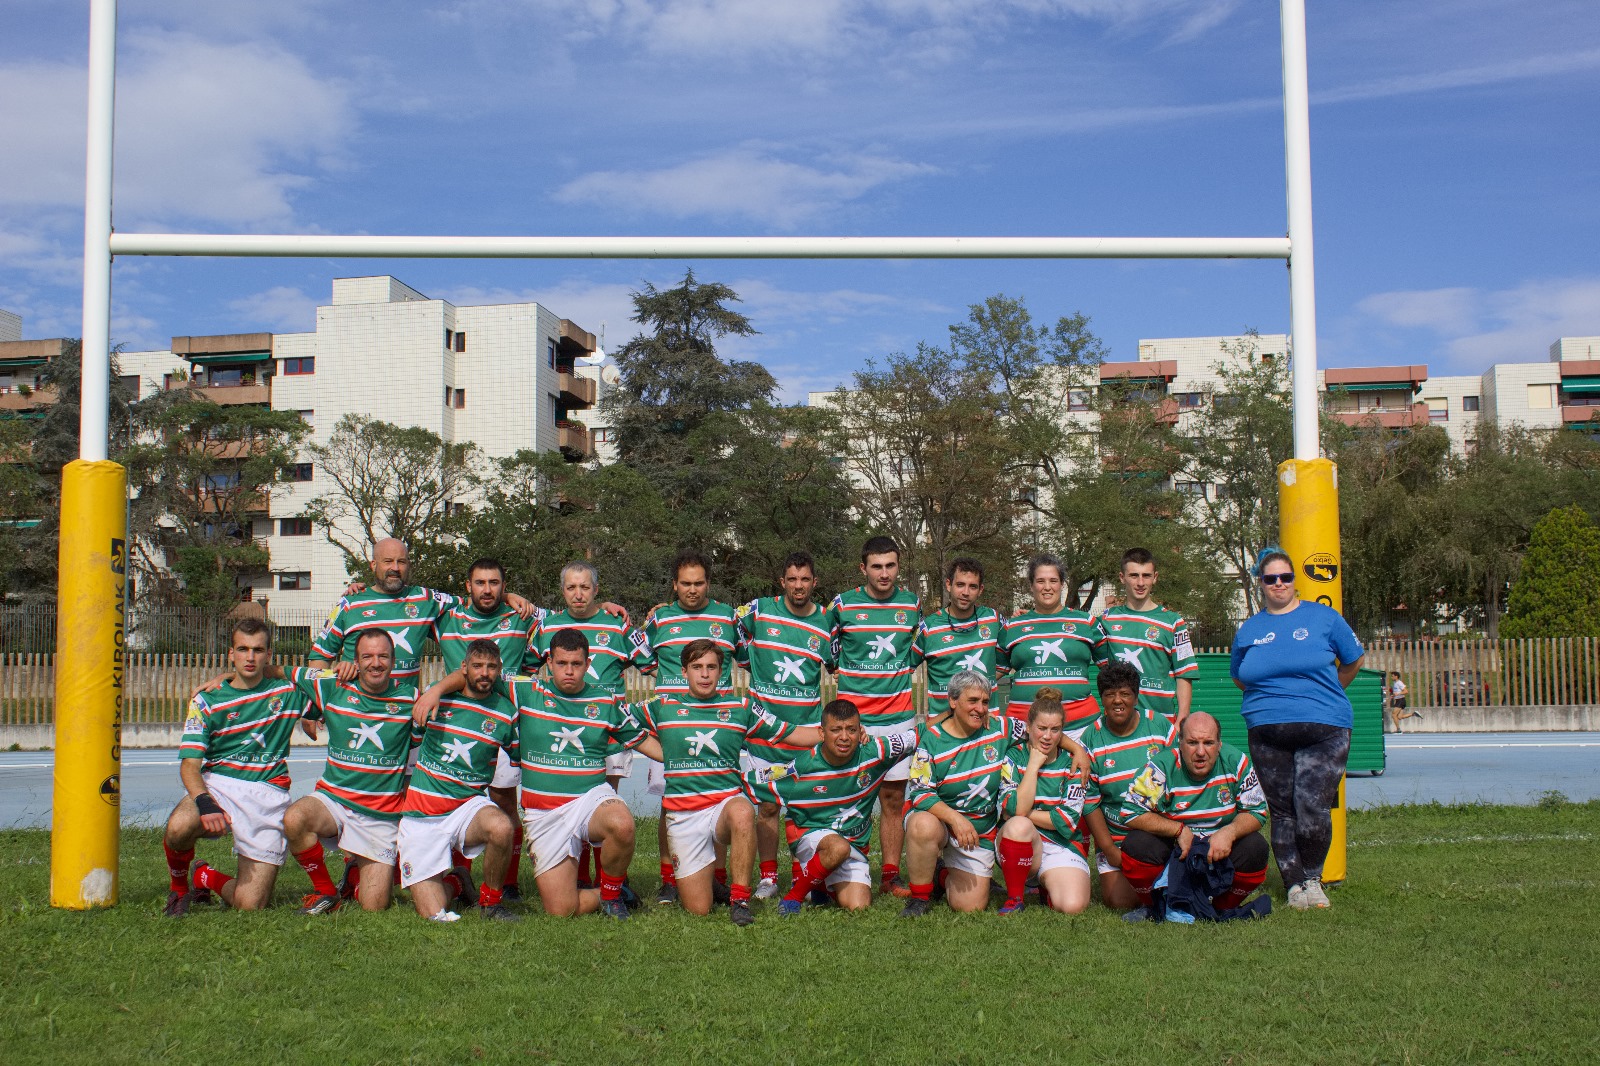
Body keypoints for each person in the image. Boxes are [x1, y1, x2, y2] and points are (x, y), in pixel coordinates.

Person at [415, 627, 659, 920]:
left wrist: (685, 762)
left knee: (621, 822)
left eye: (577, 664)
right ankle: (612, 894)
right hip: (544, 815)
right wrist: (436, 690)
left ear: (588, 664)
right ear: (549, 663)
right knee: (561, 910)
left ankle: (610, 896)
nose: (569, 671)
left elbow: (643, 741)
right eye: (561, 663)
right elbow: (472, 675)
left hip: (589, 800)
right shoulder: (526, 690)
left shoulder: (605, 702)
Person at [637, 639, 821, 926]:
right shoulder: (662, 706)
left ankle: (739, 900)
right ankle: (707, 881)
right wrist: (662, 754)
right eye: (697, 667)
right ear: (684, 672)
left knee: (743, 810)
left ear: (722, 672)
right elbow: (620, 725)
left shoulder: (741, 707)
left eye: (712, 667)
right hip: (683, 815)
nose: (705, 674)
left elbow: (787, 732)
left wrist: (828, 735)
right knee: (698, 908)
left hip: (723, 806)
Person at [1230, 548, 1365, 911]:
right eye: (1270, 578)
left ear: (1294, 581)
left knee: (1311, 805)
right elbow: (1241, 676)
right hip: (1267, 731)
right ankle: (1293, 887)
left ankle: (1313, 880)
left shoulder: (1324, 618)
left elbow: (1353, 660)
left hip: (1325, 727)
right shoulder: (1250, 628)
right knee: (1282, 810)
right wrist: (1271, 700)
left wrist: (1324, 693)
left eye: (1285, 577)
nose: (1278, 584)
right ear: (1261, 583)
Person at [900, 671, 1090, 917]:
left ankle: (941, 875)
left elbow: (1043, 730)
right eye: (973, 701)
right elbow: (920, 792)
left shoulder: (1002, 727)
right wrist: (955, 819)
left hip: (979, 831)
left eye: (986, 702)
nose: (980, 709)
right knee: (922, 824)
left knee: (970, 907)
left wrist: (1077, 749)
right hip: (943, 821)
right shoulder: (931, 739)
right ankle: (919, 898)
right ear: (953, 701)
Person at [162, 618, 309, 916]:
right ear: (231, 653)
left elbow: (333, 682)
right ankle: (179, 891)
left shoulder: (288, 693)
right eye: (243, 649)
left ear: (269, 655)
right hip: (219, 785)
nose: (250, 657)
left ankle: (204, 876)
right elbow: (190, 766)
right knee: (178, 826)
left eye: (258, 650)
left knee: (250, 904)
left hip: (267, 792)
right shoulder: (207, 700)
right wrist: (205, 803)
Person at [529, 560, 651, 889]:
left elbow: (652, 663)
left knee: (606, 804)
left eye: (585, 587)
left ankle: (612, 881)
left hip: (609, 730)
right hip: (567, 731)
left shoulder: (617, 624)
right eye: (571, 587)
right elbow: (526, 670)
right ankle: (580, 879)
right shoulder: (548, 626)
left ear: (596, 590)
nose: (578, 594)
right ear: (562, 590)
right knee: (574, 802)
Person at [278, 630, 419, 914]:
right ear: (355, 661)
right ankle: (325, 892)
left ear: (393, 661)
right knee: (295, 819)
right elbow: (278, 671)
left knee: (374, 906)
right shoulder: (333, 685)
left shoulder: (411, 699)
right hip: (335, 801)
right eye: (367, 656)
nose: (375, 663)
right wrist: (226, 678)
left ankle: (354, 871)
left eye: (383, 656)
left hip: (380, 814)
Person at [430, 557, 540, 901]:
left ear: (504, 586)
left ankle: (506, 883)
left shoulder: (521, 618)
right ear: (468, 586)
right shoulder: (446, 618)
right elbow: (402, 603)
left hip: (503, 723)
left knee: (504, 802)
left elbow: (576, 610)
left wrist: (607, 605)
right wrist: (354, 595)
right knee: (458, 800)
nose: (487, 589)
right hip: (458, 727)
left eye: (495, 583)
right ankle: (461, 876)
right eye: (480, 582)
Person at [742, 699, 915, 915]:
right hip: (812, 837)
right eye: (836, 730)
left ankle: (820, 883)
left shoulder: (875, 754)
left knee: (859, 905)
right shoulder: (800, 769)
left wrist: (952, 715)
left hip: (853, 846)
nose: (844, 737)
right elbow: (749, 780)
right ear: (822, 733)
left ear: (859, 730)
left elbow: (920, 734)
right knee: (837, 848)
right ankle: (793, 897)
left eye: (851, 730)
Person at [638, 548, 742, 904]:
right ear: (674, 585)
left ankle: (718, 877)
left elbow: (744, 655)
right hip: (671, 726)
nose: (693, 590)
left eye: (699, 583)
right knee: (671, 802)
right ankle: (670, 878)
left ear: (708, 583)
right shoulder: (659, 619)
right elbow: (640, 658)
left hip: (718, 725)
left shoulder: (728, 617)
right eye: (685, 584)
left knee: (721, 798)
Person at [397, 639, 521, 922]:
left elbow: (521, 757)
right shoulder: (437, 700)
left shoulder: (505, 712)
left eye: (491, 667)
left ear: (500, 669)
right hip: (422, 814)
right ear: (464, 667)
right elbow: (410, 741)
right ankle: (458, 881)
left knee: (501, 826)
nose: (484, 673)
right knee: (434, 912)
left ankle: (490, 904)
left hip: (467, 806)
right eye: (477, 666)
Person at [826, 535, 922, 897]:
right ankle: (840, 870)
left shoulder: (912, 604)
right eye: (877, 566)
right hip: (853, 721)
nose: (884, 573)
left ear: (898, 566)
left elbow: (916, 650)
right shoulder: (842, 605)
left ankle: (891, 875)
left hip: (897, 716)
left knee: (893, 799)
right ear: (862, 568)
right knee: (847, 796)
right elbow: (826, 649)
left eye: (891, 565)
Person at [735, 551, 833, 899]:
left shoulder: (826, 622)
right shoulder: (758, 610)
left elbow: (838, 662)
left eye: (805, 579)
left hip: (805, 733)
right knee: (768, 806)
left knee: (803, 806)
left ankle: (803, 877)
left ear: (814, 582)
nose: (798, 586)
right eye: (792, 579)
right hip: (763, 734)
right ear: (782, 582)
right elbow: (719, 622)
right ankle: (768, 878)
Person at [1118, 712, 1270, 922]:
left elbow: (1257, 811)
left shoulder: (1236, 762)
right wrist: (1178, 830)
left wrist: (1230, 832)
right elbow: (1130, 811)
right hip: (1176, 852)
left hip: (1219, 851)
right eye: (1192, 743)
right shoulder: (1161, 767)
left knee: (1256, 847)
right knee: (1137, 845)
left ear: (1219, 744)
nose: (1200, 752)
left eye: (1208, 743)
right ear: (1179, 743)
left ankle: (1221, 908)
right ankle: (1155, 906)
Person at [1079, 660, 1177, 911]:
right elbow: (1090, 802)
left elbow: (1180, 782)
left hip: (1158, 831)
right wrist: (1110, 849)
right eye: (1110, 695)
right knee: (1119, 900)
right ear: (1102, 699)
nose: (1117, 701)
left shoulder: (1160, 727)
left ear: (1136, 697)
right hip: (1116, 835)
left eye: (1124, 694)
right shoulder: (1091, 738)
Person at [995, 689, 1093, 916]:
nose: (1047, 736)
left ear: (1062, 732)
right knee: (1018, 826)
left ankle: (1045, 886)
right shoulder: (1013, 756)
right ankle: (1015, 898)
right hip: (1020, 840)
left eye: (1055, 729)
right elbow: (1013, 809)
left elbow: (1066, 821)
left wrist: (1023, 813)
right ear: (1028, 727)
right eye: (1041, 728)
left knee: (1072, 906)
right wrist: (1032, 766)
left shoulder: (1073, 763)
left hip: (1061, 845)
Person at [1094, 547, 1198, 727]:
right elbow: (1074, 632)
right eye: (1134, 575)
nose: (1140, 582)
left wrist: (1183, 715)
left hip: (1161, 722)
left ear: (1155, 578)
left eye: (1146, 575)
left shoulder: (1174, 622)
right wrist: (1039, 616)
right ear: (1122, 578)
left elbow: (1184, 673)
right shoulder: (1106, 620)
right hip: (1119, 724)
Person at [1000, 553, 1102, 735]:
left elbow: (1113, 671)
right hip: (1024, 727)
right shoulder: (1012, 627)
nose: (1047, 587)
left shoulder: (1086, 622)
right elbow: (992, 673)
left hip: (1080, 728)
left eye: (1053, 580)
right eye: (1040, 581)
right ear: (1031, 585)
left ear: (1062, 584)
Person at [916, 557, 1004, 719]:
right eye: (960, 585)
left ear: (980, 589)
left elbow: (1013, 654)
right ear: (949, 585)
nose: (965, 592)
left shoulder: (994, 619)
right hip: (943, 726)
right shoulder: (929, 626)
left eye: (972, 587)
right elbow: (904, 667)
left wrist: (981, 683)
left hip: (986, 724)